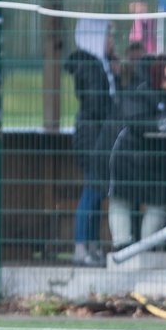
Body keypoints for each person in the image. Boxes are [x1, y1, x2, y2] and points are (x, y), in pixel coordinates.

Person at [64, 19, 117, 267]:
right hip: (92, 137)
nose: (111, 42)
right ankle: (81, 245)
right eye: (108, 37)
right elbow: (98, 105)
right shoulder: (93, 68)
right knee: (91, 191)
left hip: (96, 134)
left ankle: (92, 244)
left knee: (97, 191)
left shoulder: (101, 65)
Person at [108, 53, 166, 249]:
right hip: (129, 158)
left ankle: (148, 245)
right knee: (121, 199)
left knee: (159, 201)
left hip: (157, 162)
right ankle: (122, 246)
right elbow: (137, 122)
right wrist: (163, 123)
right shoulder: (140, 91)